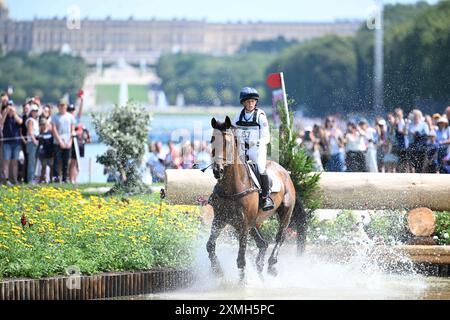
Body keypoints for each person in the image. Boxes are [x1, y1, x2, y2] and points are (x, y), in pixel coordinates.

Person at [232, 87, 273, 211]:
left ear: (256, 102)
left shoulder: (260, 116)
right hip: (243, 149)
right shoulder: (238, 115)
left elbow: (267, 137)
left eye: (253, 101)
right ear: (243, 102)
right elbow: (232, 130)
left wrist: (256, 143)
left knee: (260, 167)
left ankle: (266, 197)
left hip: (257, 149)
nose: (251, 103)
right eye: (248, 101)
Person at [52, 101, 75, 183]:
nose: (62, 107)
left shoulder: (70, 117)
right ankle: (56, 178)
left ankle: (65, 178)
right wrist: (60, 141)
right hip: (58, 142)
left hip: (68, 142)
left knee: (66, 161)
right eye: (60, 106)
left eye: (63, 105)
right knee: (57, 161)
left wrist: (70, 141)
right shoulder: (55, 117)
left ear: (66, 106)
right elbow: (54, 130)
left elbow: (72, 130)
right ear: (58, 107)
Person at [1, 100, 23, 185]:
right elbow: (1, 123)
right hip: (7, 143)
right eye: (9, 105)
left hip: (16, 143)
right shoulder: (5, 116)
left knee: (15, 162)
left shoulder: (17, 115)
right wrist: (6, 112)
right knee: (6, 161)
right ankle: (6, 180)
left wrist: (14, 113)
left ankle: (14, 179)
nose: (10, 107)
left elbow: (20, 122)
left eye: (11, 105)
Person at [25, 103, 40, 183]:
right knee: (31, 162)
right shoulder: (30, 120)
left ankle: (32, 179)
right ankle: (30, 180)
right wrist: (34, 141)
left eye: (36, 111)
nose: (35, 112)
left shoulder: (35, 120)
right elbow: (30, 132)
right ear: (31, 112)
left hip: (36, 141)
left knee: (34, 162)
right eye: (33, 111)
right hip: (32, 142)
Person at [37, 118, 54, 183]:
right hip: (43, 154)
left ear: (46, 124)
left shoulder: (50, 132)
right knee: (43, 167)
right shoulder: (39, 133)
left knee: (51, 167)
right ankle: (41, 180)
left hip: (50, 152)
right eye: (41, 124)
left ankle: (51, 180)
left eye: (43, 124)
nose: (42, 125)